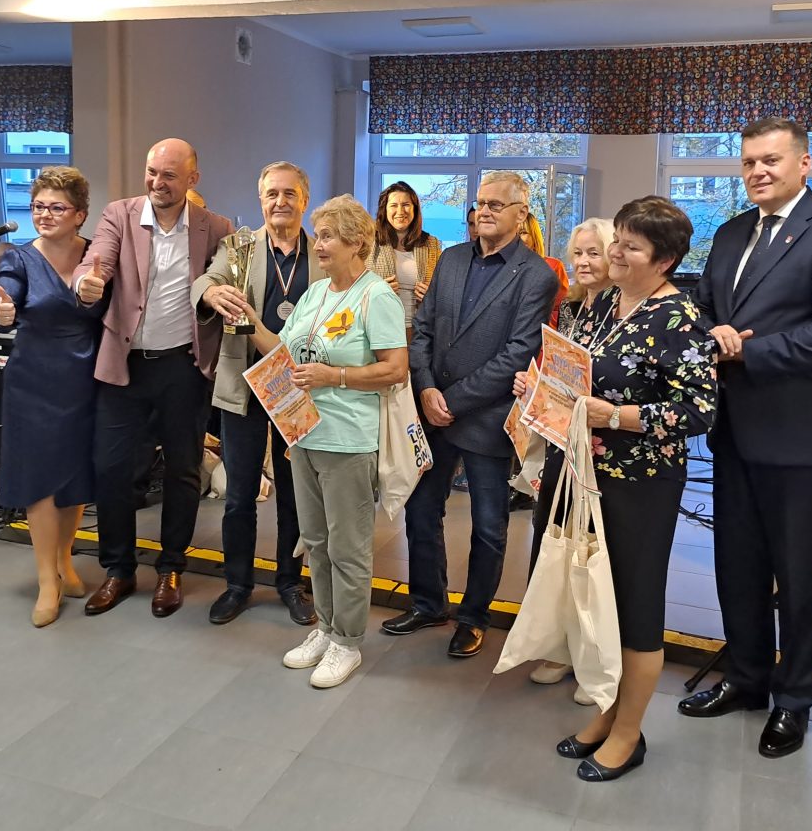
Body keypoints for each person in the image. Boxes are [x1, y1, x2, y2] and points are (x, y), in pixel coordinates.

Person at [678, 117, 812, 759]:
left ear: (803, 164)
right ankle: (747, 678)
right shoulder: (732, 232)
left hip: (798, 434)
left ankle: (794, 699)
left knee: (795, 573)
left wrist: (747, 351)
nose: (758, 172)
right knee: (736, 565)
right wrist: (708, 332)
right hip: (732, 428)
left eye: (771, 160)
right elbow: (705, 307)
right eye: (749, 163)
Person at [521, 196, 715, 782]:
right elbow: (574, 373)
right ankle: (607, 713)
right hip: (583, 473)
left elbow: (698, 410)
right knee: (595, 598)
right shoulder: (604, 303)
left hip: (640, 484)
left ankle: (629, 733)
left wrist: (618, 417)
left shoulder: (680, 318)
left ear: (665, 260)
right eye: (617, 242)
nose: (616, 254)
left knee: (635, 604)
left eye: (632, 247)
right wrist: (540, 387)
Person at [382, 172, 557, 657]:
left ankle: (474, 617)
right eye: (481, 203)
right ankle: (427, 603)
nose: (485, 212)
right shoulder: (453, 259)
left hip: (486, 415)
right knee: (421, 510)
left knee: (488, 525)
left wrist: (452, 401)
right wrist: (426, 388)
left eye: (497, 205)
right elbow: (423, 330)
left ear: (522, 214)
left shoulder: (536, 275)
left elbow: (518, 352)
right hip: (432, 407)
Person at [236, 195, 407, 688]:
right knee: (315, 541)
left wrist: (336, 376)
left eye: (329, 236)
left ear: (356, 242)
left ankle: (347, 641)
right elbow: (283, 351)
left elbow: (396, 369)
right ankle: (327, 628)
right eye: (320, 236)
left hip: (348, 440)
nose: (320, 245)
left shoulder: (376, 297)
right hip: (305, 433)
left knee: (347, 546)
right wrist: (250, 320)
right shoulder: (315, 294)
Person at [75, 138, 233, 619]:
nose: (156, 182)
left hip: (184, 367)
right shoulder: (120, 215)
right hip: (125, 366)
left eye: (168, 175)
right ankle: (119, 569)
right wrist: (87, 281)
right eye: (151, 172)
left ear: (192, 179)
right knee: (113, 470)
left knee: (184, 470)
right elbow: (97, 260)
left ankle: (171, 568)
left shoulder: (215, 227)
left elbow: (224, 279)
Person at [192, 161, 323, 627]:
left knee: (296, 494)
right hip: (245, 386)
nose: (280, 202)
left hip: (299, 390)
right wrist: (211, 295)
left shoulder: (322, 251)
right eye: (271, 194)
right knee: (239, 494)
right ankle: (237, 584)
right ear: (260, 199)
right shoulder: (239, 247)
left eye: (289, 193)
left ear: (304, 199)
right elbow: (206, 279)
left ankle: (290, 582)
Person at [0, 166, 103, 627]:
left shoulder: (97, 255)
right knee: (40, 482)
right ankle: (46, 582)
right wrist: (2, 312)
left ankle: (65, 562)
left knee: (74, 478)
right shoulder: (18, 258)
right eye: (38, 206)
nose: (45, 214)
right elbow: (4, 302)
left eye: (57, 207)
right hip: (33, 382)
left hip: (84, 379)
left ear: (79, 214)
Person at [525, 215, 615, 693]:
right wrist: (533, 385)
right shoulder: (575, 308)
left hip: (604, 451)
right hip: (565, 446)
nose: (583, 262)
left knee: (593, 554)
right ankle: (560, 647)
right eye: (577, 253)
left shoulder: (624, 309)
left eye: (593, 253)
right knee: (557, 541)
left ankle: (592, 657)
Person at [368, 181, 442, 340]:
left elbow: (443, 289)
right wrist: (377, 291)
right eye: (393, 205)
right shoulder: (369, 243)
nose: (400, 211)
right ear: (384, 210)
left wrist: (431, 295)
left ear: (415, 209)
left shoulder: (432, 244)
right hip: (379, 330)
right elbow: (354, 287)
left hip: (420, 331)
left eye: (406, 205)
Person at [518, 212, 569, 328]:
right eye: (514, 234)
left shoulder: (554, 266)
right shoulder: (504, 268)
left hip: (543, 333)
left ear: (534, 235)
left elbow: (561, 310)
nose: (518, 238)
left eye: (523, 232)